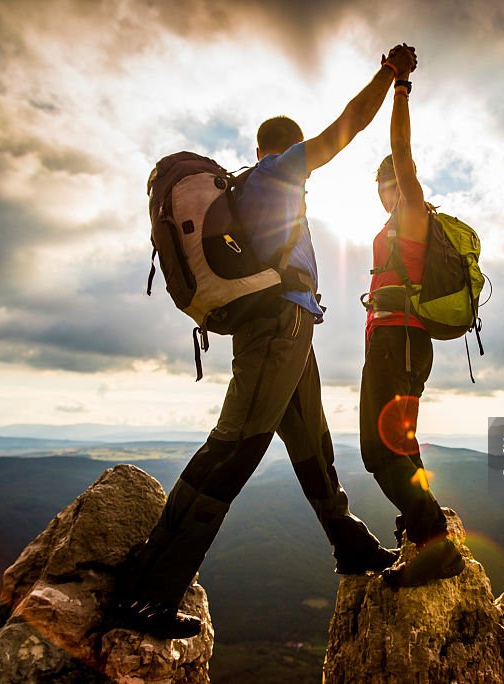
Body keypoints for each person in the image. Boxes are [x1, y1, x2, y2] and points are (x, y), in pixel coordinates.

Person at [114, 44, 420, 639]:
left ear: (255, 149)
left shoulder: (250, 183)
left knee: (313, 446)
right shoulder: (280, 172)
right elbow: (348, 127)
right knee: (236, 447)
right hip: (278, 327)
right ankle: (149, 590)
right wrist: (391, 76)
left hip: (289, 328)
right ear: (283, 151)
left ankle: (349, 544)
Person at [360, 55, 465, 587]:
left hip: (398, 340)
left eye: (391, 182)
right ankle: (424, 521)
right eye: (382, 185)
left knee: (376, 451)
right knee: (402, 444)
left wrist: (400, 88)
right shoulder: (395, 227)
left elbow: (403, 153)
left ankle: (435, 548)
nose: (389, 190)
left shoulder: (413, 213)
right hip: (397, 341)